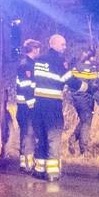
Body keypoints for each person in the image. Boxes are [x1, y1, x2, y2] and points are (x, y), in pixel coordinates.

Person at [31, 34, 79, 181]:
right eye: (62, 45)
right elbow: (70, 80)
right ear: (54, 44)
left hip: (38, 104)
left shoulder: (38, 60)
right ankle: (52, 173)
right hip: (52, 105)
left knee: (42, 137)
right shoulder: (60, 61)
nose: (65, 47)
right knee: (53, 137)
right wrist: (84, 87)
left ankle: (39, 169)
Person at [14, 39, 41, 173]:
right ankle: (27, 165)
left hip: (26, 105)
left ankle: (25, 163)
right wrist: (32, 104)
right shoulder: (26, 65)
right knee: (28, 134)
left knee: (27, 134)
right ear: (34, 49)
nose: (39, 51)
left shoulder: (31, 64)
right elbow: (26, 87)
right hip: (26, 106)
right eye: (38, 49)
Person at [67, 48, 99, 155]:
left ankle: (72, 140)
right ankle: (84, 150)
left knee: (83, 120)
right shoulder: (92, 69)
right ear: (91, 57)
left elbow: (70, 82)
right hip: (86, 99)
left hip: (75, 97)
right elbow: (94, 88)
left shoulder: (76, 67)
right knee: (87, 122)